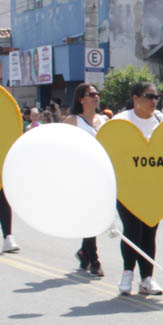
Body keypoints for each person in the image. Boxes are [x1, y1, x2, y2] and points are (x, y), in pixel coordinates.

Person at [113, 81, 163, 295]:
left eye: (156, 97)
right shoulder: (121, 121)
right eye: (149, 96)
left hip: (153, 187)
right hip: (127, 188)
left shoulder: (162, 121)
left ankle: (147, 279)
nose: (154, 101)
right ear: (135, 98)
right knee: (132, 229)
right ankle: (127, 273)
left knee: (149, 231)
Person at [65, 82, 108, 277]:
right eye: (91, 94)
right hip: (81, 174)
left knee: (96, 216)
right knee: (90, 216)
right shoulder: (72, 121)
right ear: (81, 99)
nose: (96, 97)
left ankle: (84, 252)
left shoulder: (104, 120)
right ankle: (94, 260)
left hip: (101, 173)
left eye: (97, 94)